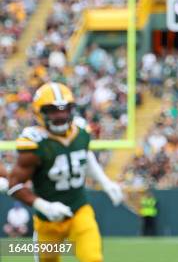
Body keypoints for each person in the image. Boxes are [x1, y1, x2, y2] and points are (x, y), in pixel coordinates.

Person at [7, 82, 124, 262]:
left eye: (64, 109)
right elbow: (14, 186)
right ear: (40, 112)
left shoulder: (81, 131)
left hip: (79, 210)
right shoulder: (34, 143)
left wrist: (106, 183)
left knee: (93, 258)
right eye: (53, 110)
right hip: (48, 221)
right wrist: (45, 206)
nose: (61, 115)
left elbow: (84, 155)